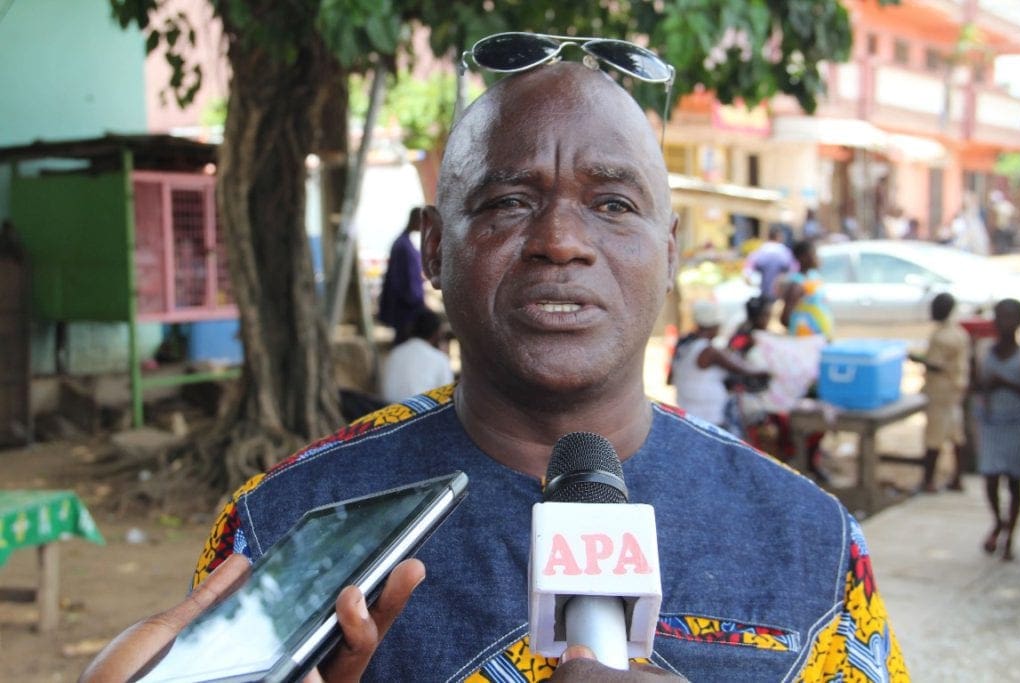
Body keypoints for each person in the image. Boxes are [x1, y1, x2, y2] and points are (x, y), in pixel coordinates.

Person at [82, 52, 907, 682]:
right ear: (435, 249)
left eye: (613, 204)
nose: (561, 240)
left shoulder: (810, 539)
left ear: (669, 252)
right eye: (510, 201)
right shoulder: (283, 527)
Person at [972, 298, 1020, 562]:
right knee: (991, 478)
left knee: (1014, 483)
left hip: (1016, 426)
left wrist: (1004, 383)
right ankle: (998, 521)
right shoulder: (985, 352)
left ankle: (1009, 536)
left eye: (1010, 317)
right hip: (992, 425)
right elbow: (976, 386)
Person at [668, 300, 769, 434]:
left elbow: (670, 379)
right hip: (707, 416)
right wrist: (772, 370)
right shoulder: (710, 351)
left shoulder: (684, 344)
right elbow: (743, 369)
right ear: (714, 326)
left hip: (687, 409)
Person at [910, 293, 970, 493]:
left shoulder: (941, 336)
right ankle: (957, 479)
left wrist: (915, 358)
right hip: (955, 390)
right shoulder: (959, 332)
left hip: (940, 391)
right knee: (955, 434)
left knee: (933, 437)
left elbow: (935, 364)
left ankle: (928, 482)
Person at [379, 307, 454, 403]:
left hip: (390, 410)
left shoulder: (395, 353)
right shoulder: (439, 359)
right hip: (422, 411)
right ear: (437, 334)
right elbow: (447, 399)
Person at [378, 207, 426, 344]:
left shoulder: (405, 243)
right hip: (406, 309)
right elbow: (401, 281)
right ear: (416, 220)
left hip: (407, 306)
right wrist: (416, 301)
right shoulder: (402, 246)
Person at [780, 239, 834, 339]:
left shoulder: (814, 277)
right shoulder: (798, 284)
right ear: (803, 258)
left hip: (819, 338)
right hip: (806, 340)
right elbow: (784, 318)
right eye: (814, 254)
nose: (817, 258)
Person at [741, 225, 795, 301]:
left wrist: (751, 282)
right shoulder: (784, 252)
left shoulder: (761, 250)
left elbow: (748, 270)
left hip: (764, 293)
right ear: (779, 237)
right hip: (780, 294)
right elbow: (794, 269)